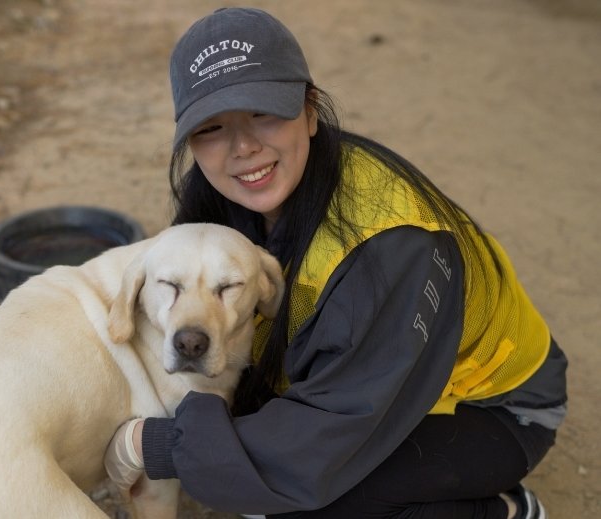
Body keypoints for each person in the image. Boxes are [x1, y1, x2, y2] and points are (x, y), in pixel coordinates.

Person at [103, 7, 568, 519]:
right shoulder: (222, 199)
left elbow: (330, 431)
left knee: (310, 501)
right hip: (359, 386)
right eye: (211, 127)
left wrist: (157, 444)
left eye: (262, 111)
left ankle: (500, 511)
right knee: (255, 472)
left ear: (309, 110)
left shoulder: (389, 249)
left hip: (491, 408)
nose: (242, 147)